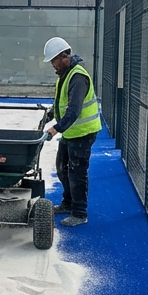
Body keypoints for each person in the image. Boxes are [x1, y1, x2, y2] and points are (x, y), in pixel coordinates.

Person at [42, 36, 102, 227]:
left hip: (83, 133)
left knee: (77, 173)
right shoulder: (65, 75)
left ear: (65, 57)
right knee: (62, 168)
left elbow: (74, 110)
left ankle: (79, 212)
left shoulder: (77, 77)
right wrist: (50, 114)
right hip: (71, 132)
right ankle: (68, 203)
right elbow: (62, 102)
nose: (53, 65)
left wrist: (55, 129)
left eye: (54, 60)